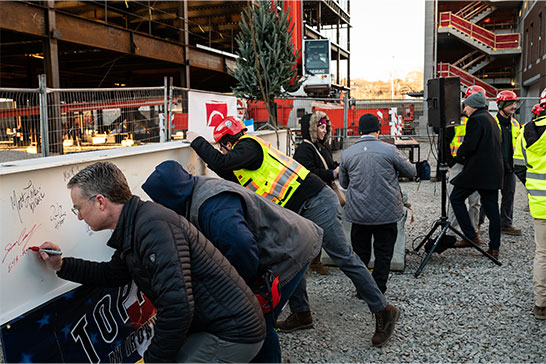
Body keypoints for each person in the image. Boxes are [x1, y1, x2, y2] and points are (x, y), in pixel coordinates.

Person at [187, 117, 400, 348]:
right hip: (297, 208)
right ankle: (301, 314)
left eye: (221, 145)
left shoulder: (249, 146)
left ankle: (383, 310)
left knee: (342, 256)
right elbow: (222, 166)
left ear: (228, 143)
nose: (221, 150)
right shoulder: (239, 164)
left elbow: (221, 161)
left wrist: (195, 141)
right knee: (291, 256)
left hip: (315, 201)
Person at [36, 161, 266, 363]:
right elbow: (113, 274)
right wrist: (61, 265)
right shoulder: (136, 223)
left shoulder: (154, 228)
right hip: (213, 325)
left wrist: (153, 360)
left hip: (232, 333)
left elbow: (178, 309)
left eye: (78, 208)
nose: (78, 216)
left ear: (100, 202)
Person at [141, 160, 323, 363]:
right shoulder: (193, 189)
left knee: (257, 318)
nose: (157, 206)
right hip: (285, 240)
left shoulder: (213, 208)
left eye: (157, 201)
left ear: (170, 196)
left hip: (290, 249)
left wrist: (239, 290)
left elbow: (241, 248)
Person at [339, 113, 415, 293]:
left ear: (360, 131)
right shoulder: (390, 150)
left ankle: (363, 289)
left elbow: (343, 183)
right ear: (378, 130)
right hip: (387, 213)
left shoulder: (347, 153)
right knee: (383, 252)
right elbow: (411, 171)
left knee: (360, 253)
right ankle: (378, 289)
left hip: (359, 214)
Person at [449, 91, 503, 259]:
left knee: (456, 198)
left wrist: (456, 156)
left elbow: (470, 145)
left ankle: (471, 235)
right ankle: (494, 249)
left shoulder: (475, 119)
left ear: (473, 106)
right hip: (493, 172)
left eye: (466, 106)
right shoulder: (491, 119)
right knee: (493, 210)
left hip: (478, 172)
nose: (464, 109)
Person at [292, 111, 340, 275]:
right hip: (310, 198)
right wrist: (332, 174)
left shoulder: (322, 145)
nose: (324, 131)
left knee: (320, 229)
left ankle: (315, 262)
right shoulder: (304, 150)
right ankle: (305, 264)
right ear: (312, 129)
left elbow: (329, 164)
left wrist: (338, 167)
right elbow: (308, 173)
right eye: (321, 127)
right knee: (310, 232)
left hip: (322, 193)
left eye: (326, 127)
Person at [513, 88, 546, 320]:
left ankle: (541, 304)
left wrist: (533, 188)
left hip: (539, 203)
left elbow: (518, 164)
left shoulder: (525, 131)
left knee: (542, 253)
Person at [446, 86, 483, 246]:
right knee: (454, 199)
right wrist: (451, 161)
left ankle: (472, 234)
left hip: (473, 166)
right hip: (458, 165)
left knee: (475, 201)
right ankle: (450, 233)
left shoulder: (481, 119)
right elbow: (446, 140)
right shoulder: (454, 119)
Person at [493, 90, 522, 236]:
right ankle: (477, 225)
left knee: (509, 196)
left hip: (510, 168)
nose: (513, 106)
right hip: (494, 167)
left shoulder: (515, 124)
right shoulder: (492, 122)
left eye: (515, 103)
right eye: (510, 103)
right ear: (501, 104)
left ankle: (506, 224)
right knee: (488, 198)